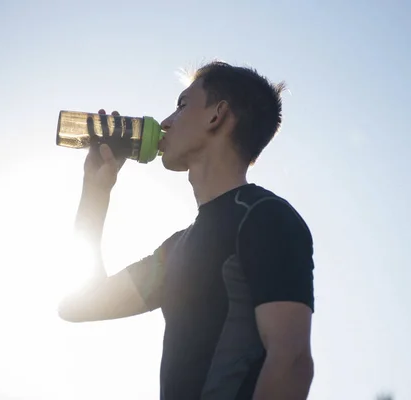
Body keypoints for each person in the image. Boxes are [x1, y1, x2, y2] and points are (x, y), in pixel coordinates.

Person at [58, 61, 315, 400]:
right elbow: (79, 305)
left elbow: (292, 361)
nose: (165, 122)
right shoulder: (177, 249)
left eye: (181, 106)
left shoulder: (266, 217)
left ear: (217, 115)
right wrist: (95, 191)